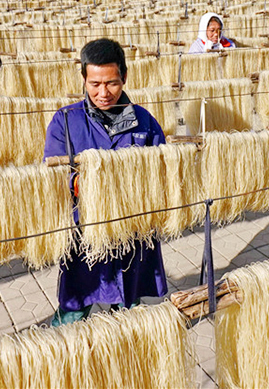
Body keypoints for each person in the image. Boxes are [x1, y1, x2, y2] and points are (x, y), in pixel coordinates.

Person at [43, 38, 168, 326]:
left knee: (127, 308)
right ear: (84, 79)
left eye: (111, 83)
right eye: (94, 84)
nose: (103, 93)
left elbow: (162, 174)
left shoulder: (143, 121)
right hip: (84, 234)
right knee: (74, 310)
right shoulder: (66, 121)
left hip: (132, 232)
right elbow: (53, 181)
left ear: (124, 76)